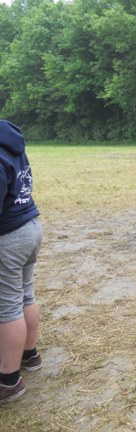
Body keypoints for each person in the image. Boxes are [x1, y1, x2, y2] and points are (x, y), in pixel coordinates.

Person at [0, 120, 44, 405]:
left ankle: (9, 380)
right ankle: (29, 354)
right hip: (30, 225)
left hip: (9, 235)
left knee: (6, 306)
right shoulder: (9, 140)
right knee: (25, 294)